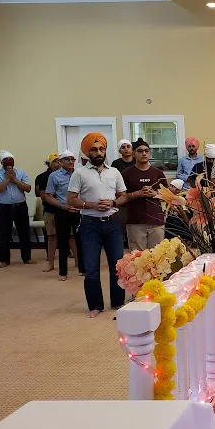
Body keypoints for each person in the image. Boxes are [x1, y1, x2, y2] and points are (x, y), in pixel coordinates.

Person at [67, 132, 129, 318]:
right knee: (92, 268)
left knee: (117, 266)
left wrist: (113, 203)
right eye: (94, 149)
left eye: (101, 148)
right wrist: (92, 205)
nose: (98, 152)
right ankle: (95, 306)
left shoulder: (114, 172)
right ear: (87, 152)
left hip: (112, 224)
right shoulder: (79, 173)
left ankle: (118, 302)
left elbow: (123, 195)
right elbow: (71, 199)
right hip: (90, 225)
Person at [0, 150, 34, 268]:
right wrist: (7, 179)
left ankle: (27, 258)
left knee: (24, 233)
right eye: (6, 160)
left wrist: (14, 179)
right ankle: (4, 260)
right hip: (4, 208)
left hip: (20, 206)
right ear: (2, 162)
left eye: (11, 159)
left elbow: (28, 188)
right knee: (3, 234)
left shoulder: (21, 173)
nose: (9, 162)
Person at [122, 138, 168, 251]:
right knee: (137, 259)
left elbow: (168, 196)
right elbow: (120, 197)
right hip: (135, 222)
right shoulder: (126, 173)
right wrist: (138, 193)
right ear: (133, 153)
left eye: (146, 151)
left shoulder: (158, 173)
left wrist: (155, 193)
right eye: (140, 151)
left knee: (157, 258)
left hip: (156, 222)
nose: (144, 153)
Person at [43, 150, 83, 281]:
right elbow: (48, 196)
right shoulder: (54, 176)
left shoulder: (79, 173)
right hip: (62, 211)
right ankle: (63, 272)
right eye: (67, 159)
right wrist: (62, 206)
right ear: (60, 162)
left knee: (80, 241)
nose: (71, 162)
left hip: (78, 211)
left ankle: (82, 268)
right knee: (63, 242)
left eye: (72, 159)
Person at [36, 153, 62, 272]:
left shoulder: (67, 175)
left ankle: (77, 262)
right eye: (55, 161)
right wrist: (59, 203)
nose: (58, 163)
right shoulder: (42, 177)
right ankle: (50, 262)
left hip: (65, 211)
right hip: (51, 210)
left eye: (59, 160)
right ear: (49, 163)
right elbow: (43, 196)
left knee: (71, 237)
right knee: (52, 236)